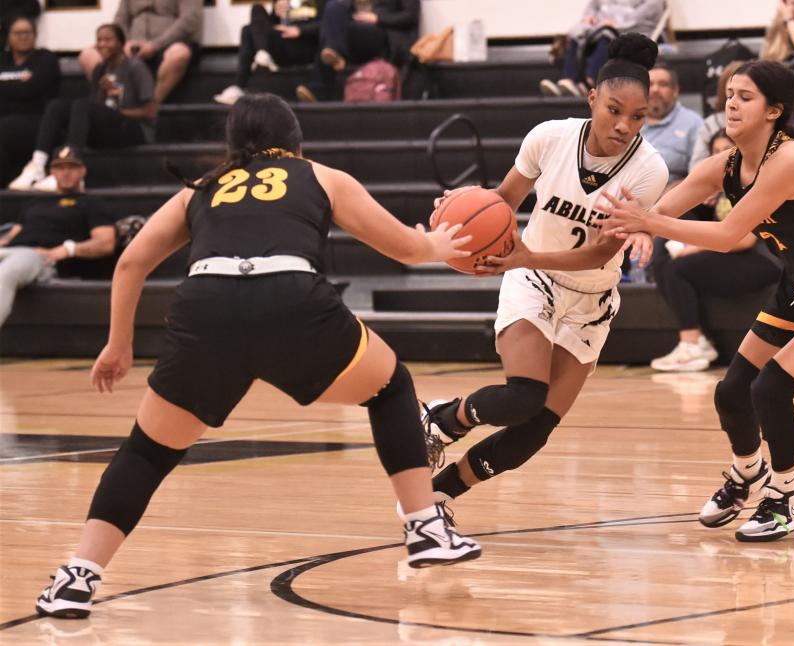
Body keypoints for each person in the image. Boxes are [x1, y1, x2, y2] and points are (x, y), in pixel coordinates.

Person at [33, 93, 481, 620]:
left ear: (233, 143)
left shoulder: (201, 188)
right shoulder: (320, 175)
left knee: (146, 452)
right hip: (290, 299)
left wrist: (118, 343)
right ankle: (424, 528)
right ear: (295, 140)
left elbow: (130, 263)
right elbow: (405, 248)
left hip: (207, 309)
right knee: (390, 388)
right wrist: (441, 243)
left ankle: (77, 578)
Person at [600, 60, 794, 541]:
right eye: (729, 94)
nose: (732, 103)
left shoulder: (792, 160)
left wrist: (649, 225)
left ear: (774, 110)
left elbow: (727, 233)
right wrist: (623, 223)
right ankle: (747, 475)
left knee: (772, 388)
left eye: (746, 96)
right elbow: (664, 207)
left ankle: (787, 496)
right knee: (732, 390)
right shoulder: (726, 164)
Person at [418, 34, 668, 516]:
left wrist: (525, 255)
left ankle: (439, 494)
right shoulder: (549, 137)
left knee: (530, 435)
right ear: (591, 97)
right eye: (614, 110)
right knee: (521, 398)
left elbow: (600, 254)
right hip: (533, 280)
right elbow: (503, 203)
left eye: (637, 117)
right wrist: (459, 213)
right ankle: (444, 418)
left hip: (590, 297)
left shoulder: (647, 170)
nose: (623, 126)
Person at [648, 131, 782, 372]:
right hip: (732, 255)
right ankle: (696, 341)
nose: (723, 156)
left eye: (728, 150)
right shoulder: (723, 187)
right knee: (665, 261)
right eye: (716, 152)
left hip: (763, 260)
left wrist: (691, 250)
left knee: (677, 268)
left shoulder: (754, 182)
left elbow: (744, 240)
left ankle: (692, 342)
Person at [8, 23, 156, 192]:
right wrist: (102, 91)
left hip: (136, 129)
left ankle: (71, 165)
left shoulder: (135, 67)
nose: (102, 44)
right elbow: (96, 109)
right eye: (99, 40)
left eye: (108, 40)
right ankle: (38, 165)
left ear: (121, 43)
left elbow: (150, 111)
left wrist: (116, 111)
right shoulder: (101, 69)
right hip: (111, 129)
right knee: (57, 106)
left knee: (81, 104)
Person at [0, 146, 116, 326]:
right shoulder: (35, 202)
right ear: (52, 171)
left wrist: (68, 249)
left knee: (5, 273)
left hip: (39, 259)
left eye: (72, 167)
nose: (66, 173)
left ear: (82, 170)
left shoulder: (91, 203)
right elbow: (11, 236)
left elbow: (106, 243)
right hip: (12, 251)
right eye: (61, 167)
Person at [77, 0, 202, 105]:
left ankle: (150, 106)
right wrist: (124, 42)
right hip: (131, 46)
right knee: (88, 55)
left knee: (179, 53)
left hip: (169, 45)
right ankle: (116, 103)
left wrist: (155, 45)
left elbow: (189, 20)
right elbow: (120, 19)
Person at [295, 0, 419, 103]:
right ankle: (335, 54)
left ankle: (319, 87)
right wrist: (300, 30)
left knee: (332, 36)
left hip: (384, 34)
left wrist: (377, 18)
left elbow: (410, 15)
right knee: (334, 6)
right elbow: (331, 21)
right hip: (356, 30)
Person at [539, 0, 666, 97]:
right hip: (602, 26)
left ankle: (587, 83)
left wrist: (616, 23)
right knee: (578, 31)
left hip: (632, 29)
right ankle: (567, 81)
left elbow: (641, 17)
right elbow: (592, 8)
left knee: (606, 33)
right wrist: (589, 18)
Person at [214, 0, 323, 106]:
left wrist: (300, 30)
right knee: (256, 10)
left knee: (247, 30)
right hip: (282, 42)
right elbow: (271, 24)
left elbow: (329, 24)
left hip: (305, 45)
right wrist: (276, 12)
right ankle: (262, 53)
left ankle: (240, 83)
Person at [0, 16, 60, 186]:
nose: (23, 37)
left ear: (35, 35)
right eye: (18, 33)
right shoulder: (2, 60)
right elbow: (24, 90)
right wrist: (20, 87)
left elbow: (32, 90)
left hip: (37, 121)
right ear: (8, 37)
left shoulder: (46, 58)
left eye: (28, 32)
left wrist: (8, 90)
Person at [641, 64, 703, 185]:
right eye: (650, 84)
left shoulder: (694, 123)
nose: (655, 89)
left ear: (675, 91)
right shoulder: (629, 119)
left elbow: (700, 175)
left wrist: (673, 192)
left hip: (672, 197)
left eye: (663, 84)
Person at [688, 60, 746, 173]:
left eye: (744, 95)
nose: (734, 100)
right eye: (730, 93)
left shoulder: (765, 123)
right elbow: (696, 169)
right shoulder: (710, 125)